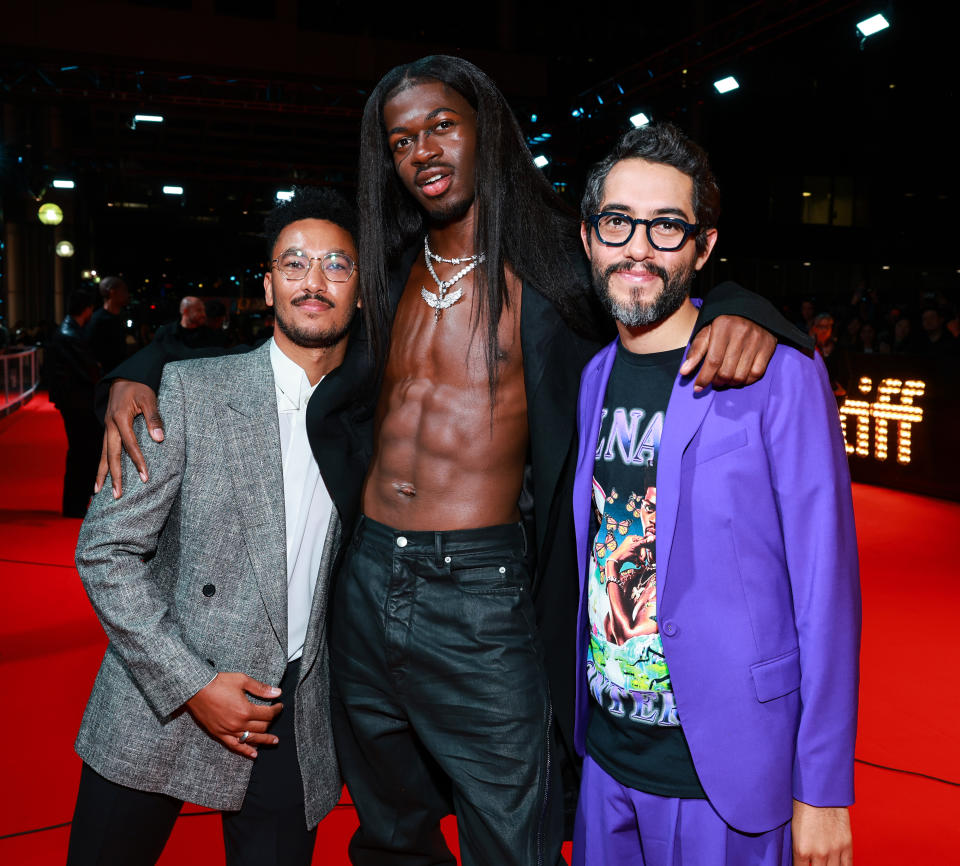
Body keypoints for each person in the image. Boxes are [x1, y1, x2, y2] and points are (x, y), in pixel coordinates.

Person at [94, 56, 810, 866]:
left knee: (512, 832)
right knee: (389, 826)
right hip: (363, 580)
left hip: (481, 590)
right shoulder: (387, 269)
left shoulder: (552, 266)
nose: (423, 150)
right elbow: (286, 334)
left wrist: (751, 311)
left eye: (441, 126)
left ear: (484, 131)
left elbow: (649, 277)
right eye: (402, 140)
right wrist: (141, 368)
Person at [572, 122, 860, 866]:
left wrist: (823, 788)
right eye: (618, 222)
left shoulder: (778, 374)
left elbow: (827, 590)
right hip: (605, 759)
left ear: (702, 247)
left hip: (726, 773)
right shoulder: (592, 376)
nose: (639, 247)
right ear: (589, 238)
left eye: (667, 226)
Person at [66, 188, 362, 866]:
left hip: (291, 711)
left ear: (362, 289)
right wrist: (191, 682)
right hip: (158, 693)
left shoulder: (373, 416)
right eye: (293, 264)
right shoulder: (188, 392)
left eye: (335, 265)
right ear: (267, 287)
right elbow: (106, 549)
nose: (312, 281)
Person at [47, 289, 102, 516]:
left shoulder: (67, 331)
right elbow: (88, 371)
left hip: (73, 401)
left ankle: (76, 504)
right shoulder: (70, 334)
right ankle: (75, 505)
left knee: (81, 451)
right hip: (78, 403)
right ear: (87, 309)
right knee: (83, 452)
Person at [85, 275, 130, 374]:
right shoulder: (98, 320)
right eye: (123, 291)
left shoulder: (120, 316)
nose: (127, 294)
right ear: (112, 292)